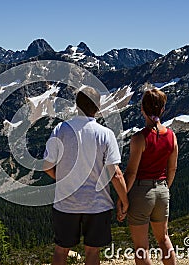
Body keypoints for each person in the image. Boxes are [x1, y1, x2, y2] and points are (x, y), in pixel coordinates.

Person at [43, 86, 129, 265]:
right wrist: (124, 200)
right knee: (92, 252)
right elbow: (115, 174)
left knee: (61, 251)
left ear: (77, 105)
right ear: (98, 107)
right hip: (97, 205)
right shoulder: (106, 134)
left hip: (65, 204)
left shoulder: (60, 129)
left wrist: (64, 179)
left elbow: (47, 166)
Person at [118, 88, 178, 265]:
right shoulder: (172, 137)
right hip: (162, 190)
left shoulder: (139, 138)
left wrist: (122, 199)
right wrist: (165, 187)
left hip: (141, 193)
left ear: (142, 109)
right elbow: (172, 169)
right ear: (162, 110)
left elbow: (131, 173)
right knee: (164, 239)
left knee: (141, 247)